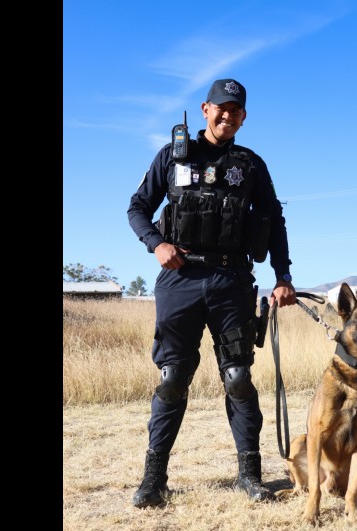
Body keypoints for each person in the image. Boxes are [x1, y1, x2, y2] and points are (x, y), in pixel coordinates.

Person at [126, 78, 297, 508]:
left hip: (231, 280)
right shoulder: (172, 156)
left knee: (238, 377)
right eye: (221, 108)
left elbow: (274, 220)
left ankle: (249, 475)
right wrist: (156, 244)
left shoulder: (250, 164)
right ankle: (153, 480)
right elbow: (137, 208)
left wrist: (282, 276)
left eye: (236, 110)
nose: (227, 115)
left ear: (243, 116)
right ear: (205, 109)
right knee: (172, 379)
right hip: (180, 278)